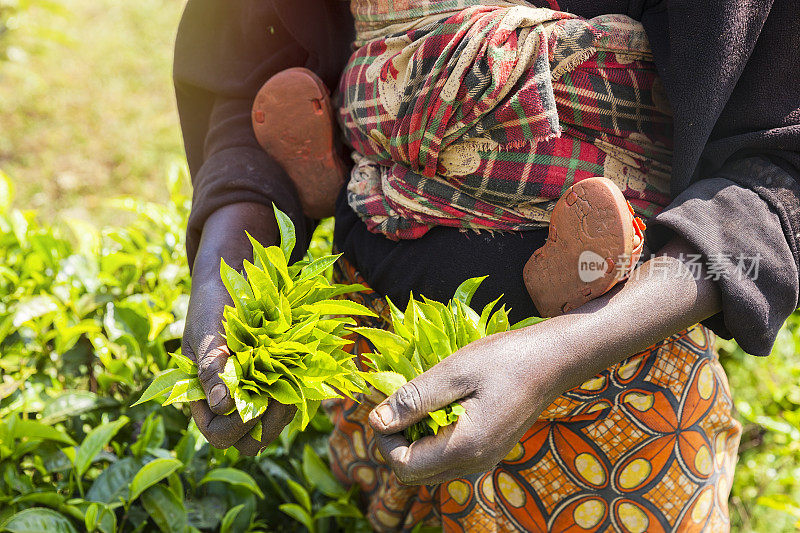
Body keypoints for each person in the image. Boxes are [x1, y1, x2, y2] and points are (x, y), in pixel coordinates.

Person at [174, 0, 799, 530]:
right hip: (373, 356)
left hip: (614, 395)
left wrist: (564, 351)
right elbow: (252, 65)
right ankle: (337, 170)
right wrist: (227, 260)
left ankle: (573, 269)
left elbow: (775, 171)